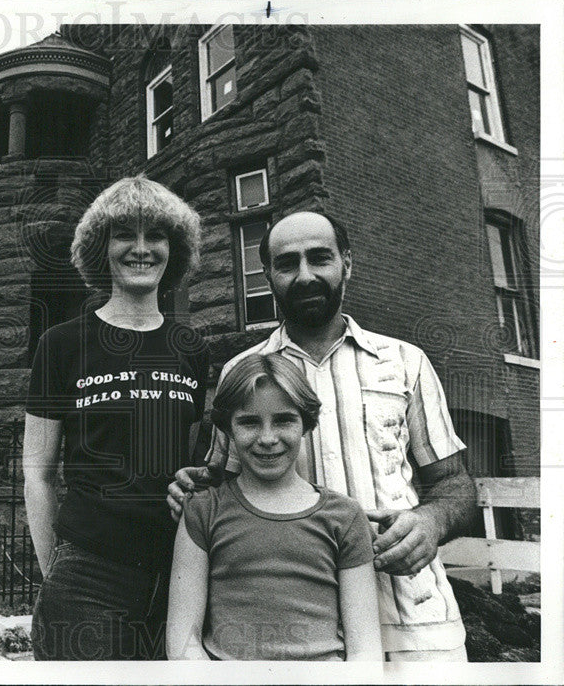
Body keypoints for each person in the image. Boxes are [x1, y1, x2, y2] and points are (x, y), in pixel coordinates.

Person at [168, 211, 475, 661]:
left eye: (320, 258)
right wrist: (189, 485)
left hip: (414, 623)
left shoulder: (405, 362)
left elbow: (456, 484)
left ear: (346, 263)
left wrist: (432, 522)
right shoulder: (245, 373)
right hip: (300, 637)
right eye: (287, 263)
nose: (305, 275)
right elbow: (222, 488)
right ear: (267, 274)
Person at [24, 175, 210, 660]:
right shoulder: (62, 344)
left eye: (157, 236)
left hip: (178, 573)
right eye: (125, 234)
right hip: (90, 574)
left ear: (176, 250)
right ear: (100, 248)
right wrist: (55, 574)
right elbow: (38, 474)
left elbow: (196, 464)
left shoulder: (191, 349)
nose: (142, 249)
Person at [167, 353, 381, 661]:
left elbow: (365, 651)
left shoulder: (345, 517)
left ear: (306, 424)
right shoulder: (203, 511)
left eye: (283, 420)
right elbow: (183, 645)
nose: (268, 438)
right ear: (228, 429)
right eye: (249, 422)